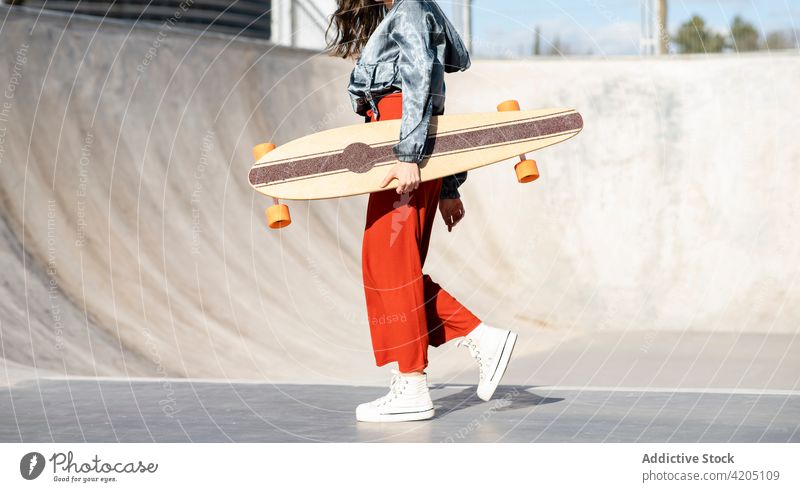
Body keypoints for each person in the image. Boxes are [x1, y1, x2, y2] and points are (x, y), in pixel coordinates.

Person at [327, 0, 518, 423]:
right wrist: (447, 184)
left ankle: (413, 384)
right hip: (403, 146)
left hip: (404, 147)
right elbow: (436, 100)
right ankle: (480, 339)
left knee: (389, 264)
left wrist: (408, 156)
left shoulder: (411, 9)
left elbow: (418, 84)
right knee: (389, 266)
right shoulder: (411, 12)